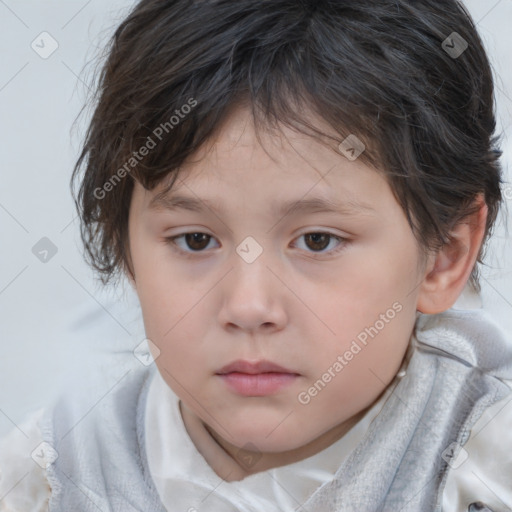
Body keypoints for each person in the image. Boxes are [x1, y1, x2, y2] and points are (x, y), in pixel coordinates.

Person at [1, 0, 512, 510]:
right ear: (125, 245)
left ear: (445, 253)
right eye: (195, 240)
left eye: (317, 240)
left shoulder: (486, 471)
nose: (248, 307)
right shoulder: (47, 477)